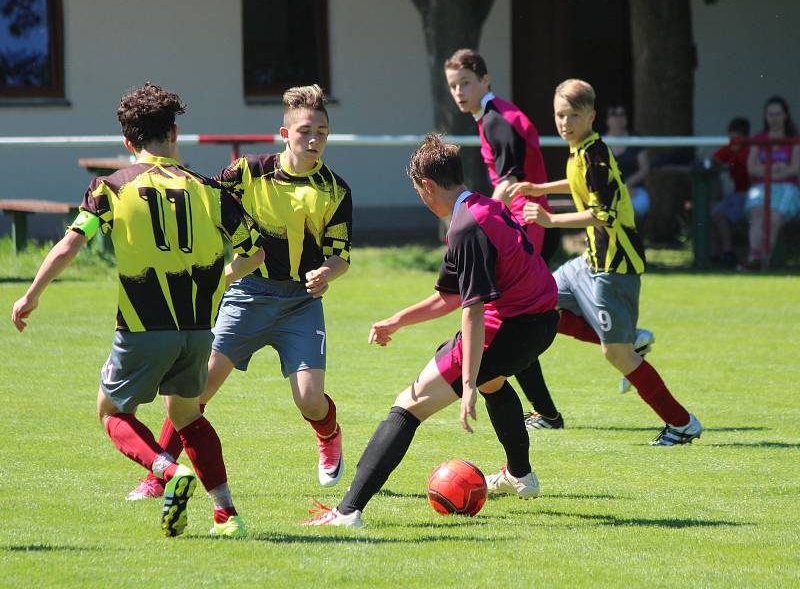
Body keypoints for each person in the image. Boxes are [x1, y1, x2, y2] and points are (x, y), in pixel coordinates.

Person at [11, 83, 265, 537]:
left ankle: (167, 472)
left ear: (128, 142)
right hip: (197, 330)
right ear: (175, 132)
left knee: (110, 411)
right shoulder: (210, 191)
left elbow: (71, 244)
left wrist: (31, 294)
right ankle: (227, 515)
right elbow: (256, 253)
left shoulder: (111, 188)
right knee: (188, 416)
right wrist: (223, 278)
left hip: (144, 326)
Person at [302, 134, 559, 528]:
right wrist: (397, 321)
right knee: (494, 383)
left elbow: (472, 310)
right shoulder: (482, 207)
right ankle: (520, 476)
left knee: (409, 404)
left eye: (418, 191)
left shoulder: (466, 228)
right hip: (541, 321)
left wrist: (468, 382)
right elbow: (450, 296)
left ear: (428, 186)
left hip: (513, 324)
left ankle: (348, 511)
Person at [126, 84, 352, 501]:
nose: (315, 139)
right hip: (247, 295)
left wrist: (326, 272)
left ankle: (329, 432)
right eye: (305, 131)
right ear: (284, 135)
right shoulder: (248, 171)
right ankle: (159, 475)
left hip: (300, 305)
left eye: (322, 130)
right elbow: (206, 200)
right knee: (196, 390)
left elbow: (341, 257)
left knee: (309, 401)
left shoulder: (335, 190)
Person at [511, 79, 703, 446]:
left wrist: (549, 220)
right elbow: (577, 184)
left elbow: (601, 214)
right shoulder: (581, 151)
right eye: (559, 115)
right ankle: (630, 340)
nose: (564, 122)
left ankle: (682, 424)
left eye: (572, 115)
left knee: (616, 355)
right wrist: (540, 189)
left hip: (614, 268)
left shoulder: (595, 155)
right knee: (539, 300)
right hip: (589, 261)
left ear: (591, 116)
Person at [444, 47, 564, 431]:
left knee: (515, 318)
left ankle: (618, 337)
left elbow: (510, 183)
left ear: (485, 80)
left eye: (466, 82)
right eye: (453, 85)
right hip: (522, 221)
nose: (459, 91)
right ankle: (547, 412)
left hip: (524, 222)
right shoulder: (492, 116)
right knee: (522, 318)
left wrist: (482, 224)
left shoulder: (498, 121)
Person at [741, 96, 800, 270]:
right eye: (770, 114)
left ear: (785, 115)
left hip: (787, 188)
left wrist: (768, 171)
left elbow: (794, 169)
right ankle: (754, 257)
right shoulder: (759, 139)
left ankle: (763, 263)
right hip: (761, 187)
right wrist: (775, 169)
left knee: (773, 218)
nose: (774, 118)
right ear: (765, 116)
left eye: (778, 114)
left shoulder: (794, 140)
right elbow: (751, 168)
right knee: (757, 215)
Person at [710, 117, 751, 267]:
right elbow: (714, 159)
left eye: (736, 138)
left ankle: (728, 253)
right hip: (737, 194)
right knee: (713, 212)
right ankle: (716, 255)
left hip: (750, 194)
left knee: (719, 213)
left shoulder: (750, 150)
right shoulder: (730, 148)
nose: (733, 141)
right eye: (731, 138)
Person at [604, 104, 650, 226]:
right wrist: (621, 189)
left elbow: (644, 168)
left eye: (622, 114)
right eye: (614, 114)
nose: (619, 118)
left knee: (639, 205)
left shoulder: (636, 139)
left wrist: (628, 185)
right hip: (608, 190)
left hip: (635, 189)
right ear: (607, 119)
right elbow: (598, 172)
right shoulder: (600, 142)